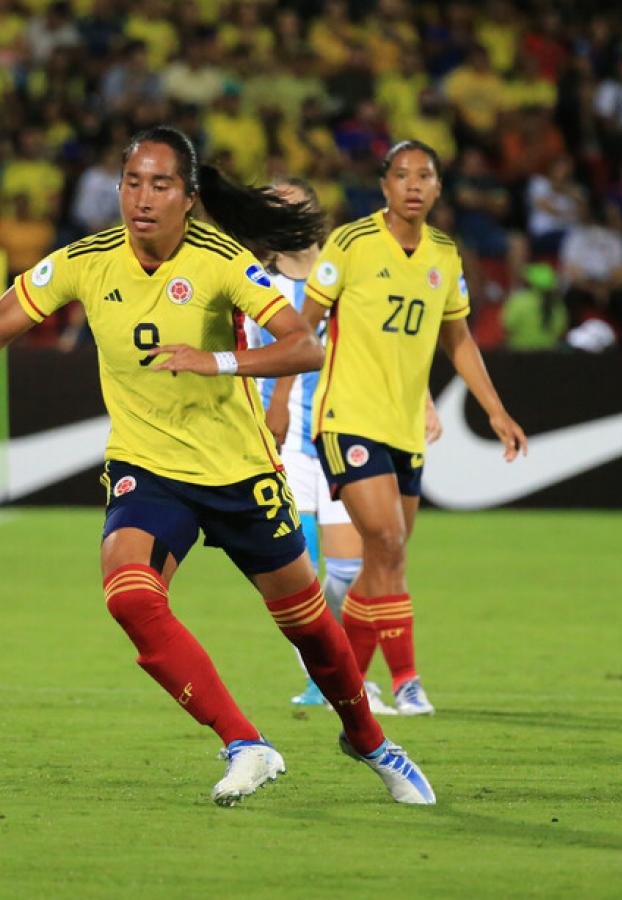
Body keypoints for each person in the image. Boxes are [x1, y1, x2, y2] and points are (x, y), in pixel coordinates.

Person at [0, 125, 436, 807]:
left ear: (190, 197)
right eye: (132, 182)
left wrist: (218, 360)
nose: (142, 198)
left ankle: (371, 739)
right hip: (149, 467)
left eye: (161, 184)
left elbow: (302, 346)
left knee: (309, 625)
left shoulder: (223, 260)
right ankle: (245, 742)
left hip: (237, 470)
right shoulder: (87, 259)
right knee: (128, 593)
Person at [276, 140, 528, 716]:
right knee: (386, 545)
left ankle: (350, 684)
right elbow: (304, 327)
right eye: (401, 175)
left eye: (426, 176)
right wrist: (285, 399)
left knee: (384, 559)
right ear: (384, 185)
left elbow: (458, 338)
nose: (413, 185)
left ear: (439, 188)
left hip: (403, 428)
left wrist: (494, 409)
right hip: (345, 419)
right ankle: (408, 680)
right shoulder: (350, 243)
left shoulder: (444, 253)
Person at [245, 177, 437, 715]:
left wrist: (420, 399)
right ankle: (329, 679)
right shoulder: (254, 281)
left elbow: (391, 345)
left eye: (295, 205)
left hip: (344, 434)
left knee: (352, 571)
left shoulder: (348, 270)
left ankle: (346, 669)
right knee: (296, 575)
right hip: (280, 446)